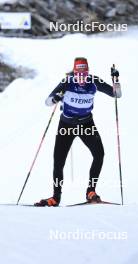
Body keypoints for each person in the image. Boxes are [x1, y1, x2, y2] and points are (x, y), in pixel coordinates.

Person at [35, 57, 122, 206]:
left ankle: (91, 191)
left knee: (99, 154)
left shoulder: (94, 81)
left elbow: (116, 94)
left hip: (86, 124)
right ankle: (56, 197)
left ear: (88, 72)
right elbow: (47, 102)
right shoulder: (67, 82)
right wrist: (56, 98)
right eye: (78, 74)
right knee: (58, 162)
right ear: (74, 73)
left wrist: (116, 81)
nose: (81, 77)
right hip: (66, 125)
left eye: (84, 73)